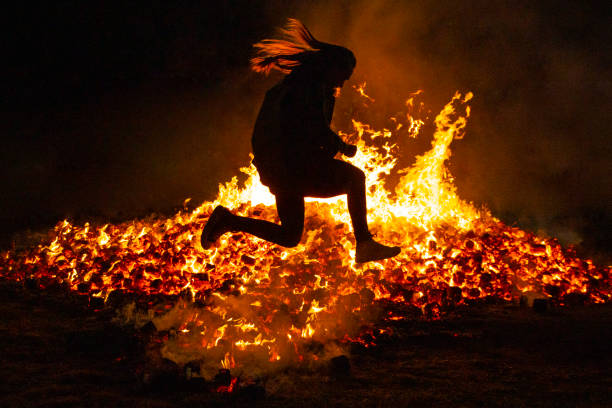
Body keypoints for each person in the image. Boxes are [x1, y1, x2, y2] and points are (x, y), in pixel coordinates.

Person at [201, 19, 400, 263]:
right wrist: (341, 146)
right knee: (354, 178)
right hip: (290, 166)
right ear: (330, 67)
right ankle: (365, 244)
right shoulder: (307, 87)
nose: (344, 82)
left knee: (289, 235)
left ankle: (227, 220)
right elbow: (310, 125)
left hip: (282, 169)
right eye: (343, 74)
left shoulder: (304, 86)